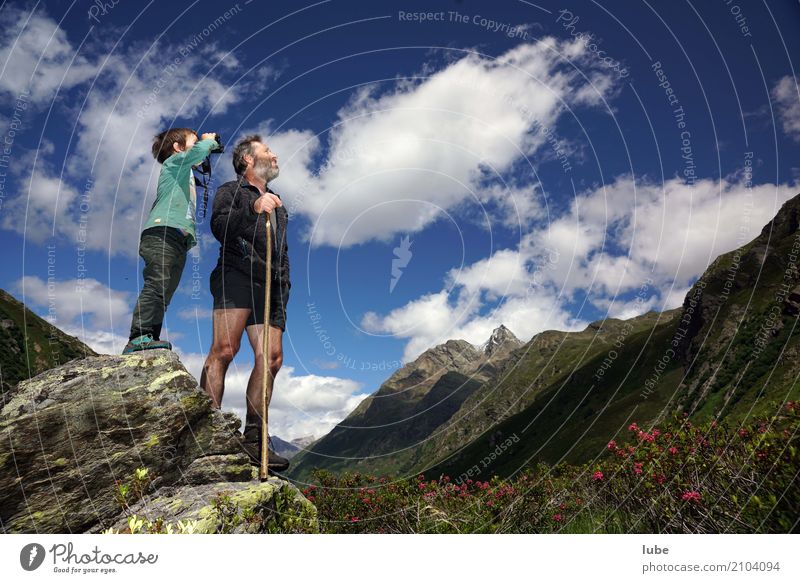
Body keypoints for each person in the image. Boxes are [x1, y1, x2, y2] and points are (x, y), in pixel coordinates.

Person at [200, 134, 291, 471]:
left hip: (272, 285)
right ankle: (206, 433)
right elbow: (220, 226)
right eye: (268, 151)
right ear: (248, 160)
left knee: (272, 358)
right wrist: (253, 208)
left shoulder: (279, 203)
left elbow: (281, 252)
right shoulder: (231, 190)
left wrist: (283, 285)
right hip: (236, 274)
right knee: (225, 349)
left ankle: (254, 438)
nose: (275, 155)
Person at [123, 128, 220, 354]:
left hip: (179, 238)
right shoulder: (173, 163)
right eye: (193, 143)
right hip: (161, 232)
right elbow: (194, 155)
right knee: (157, 284)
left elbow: (195, 159)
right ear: (178, 148)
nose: (199, 149)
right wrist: (209, 142)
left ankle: (150, 337)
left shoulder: (185, 172)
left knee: (165, 291)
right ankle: (138, 336)